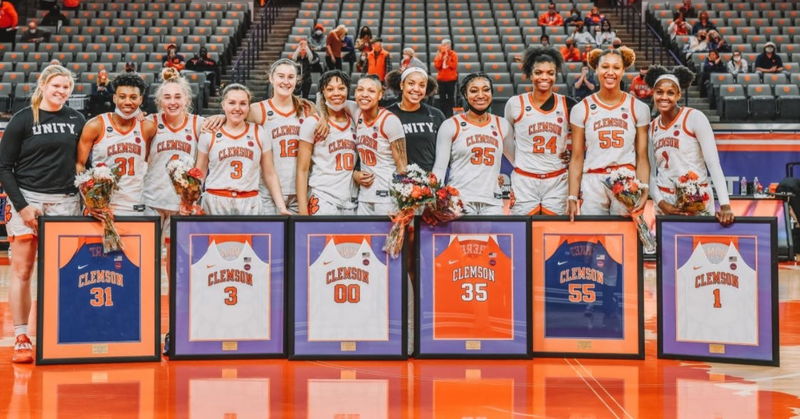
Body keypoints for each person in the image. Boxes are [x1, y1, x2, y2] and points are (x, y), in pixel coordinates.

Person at [0, 65, 86, 363]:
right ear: (43, 85)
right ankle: (22, 335)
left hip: (65, 201)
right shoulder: (23, 119)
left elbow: (83, 163)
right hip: (28, 199)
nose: (61, 91)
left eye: (66, 87)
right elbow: (4, 167)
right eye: (56, 86)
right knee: (23, 270)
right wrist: (22, 206)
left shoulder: (77, 120)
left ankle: (58, 331)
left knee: (63, 272)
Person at [204, 58, 314, 214]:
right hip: (268, 192)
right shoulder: (258, 110)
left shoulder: (308, 109)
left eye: (291, 77)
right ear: (271, 78)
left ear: (297, 80)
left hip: (301, 191)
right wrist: (221, 118)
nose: (285, 81)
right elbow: (235, 115)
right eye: (281, 76)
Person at [567, 47, 651, 217]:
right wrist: (572, 195)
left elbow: (642, 156)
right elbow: (576, 157)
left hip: (626, 179)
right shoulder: (581, 108)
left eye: (616, 67)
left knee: (626, 239)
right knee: (594, 240)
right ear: (596, 69)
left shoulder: (639, 108)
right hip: (592, 181)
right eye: (605, 67)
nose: (610, 72)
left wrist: (644, 188)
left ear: (623, 70)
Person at [645, 65, 733, 225]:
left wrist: (725, 204)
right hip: (666, 201)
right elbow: (650, 173)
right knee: (667, 250)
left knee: (698, 248)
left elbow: (713, 164)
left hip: (696, 198)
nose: (664, 97)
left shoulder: (695, 117)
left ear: (679, 94)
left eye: (670, 93)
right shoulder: (652, 128)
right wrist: (661, 203)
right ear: (653, 93)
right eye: (659, 92)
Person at [195, 84, 288, 215]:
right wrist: (191, 202)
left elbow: (270, 173)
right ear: (223, 105)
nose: (237, 108)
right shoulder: (209, 133)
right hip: (215, 201)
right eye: (232, 103)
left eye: (243, 103)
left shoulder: (259, 132)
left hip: (249, 202)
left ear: (249, 106)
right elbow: (200, 172)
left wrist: (281, 207)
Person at [505, 47, 577, 215]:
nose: (544, 77)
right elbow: (507, 143)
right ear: (530, 75)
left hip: (557, 181)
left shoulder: (568, 104)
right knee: (522, 233)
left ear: (556, 75)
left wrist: (571, 154)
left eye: (550, 73)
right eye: (538, 72)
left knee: (553, 235)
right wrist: (522, 163)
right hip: (525, 180)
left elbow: (584, 139)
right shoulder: (515, 103)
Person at [76, 73, 158, 216]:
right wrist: (89, 200)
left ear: (141, 99)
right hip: (101, 206)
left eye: (133, 97)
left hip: (134, 204)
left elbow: (148, 161)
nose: (127, 102)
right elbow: (80, 165)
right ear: (114, 98)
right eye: (122, 96)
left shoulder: (148, 127)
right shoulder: (96, 125)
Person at [432, 73, 513, 215]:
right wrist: (434, 198)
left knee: (491, 238)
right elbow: (439, 167)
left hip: (493, 201)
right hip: (460, 200)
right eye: (474, 91)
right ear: (465, 94)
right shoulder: (451, 125)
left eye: (486, 90)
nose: (481, 95)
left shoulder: (502, 124)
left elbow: (518, 161)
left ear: (492, 93)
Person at [143, 68, 203, 240]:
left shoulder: (198, 124)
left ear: (187, 99)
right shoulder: (150, 123)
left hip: (182, 204)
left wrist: (219, 118)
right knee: (149, 256)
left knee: (175, 259)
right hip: (152, 200)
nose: (172, 102)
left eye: (178, 97)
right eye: (167, 97)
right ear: (160, 101)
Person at [296, 70, 358, 215]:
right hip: (323, 197)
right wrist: (303, 211)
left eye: (341, 88)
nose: (336, 93)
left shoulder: (356, 117)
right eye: (330, 89)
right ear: (322, 92)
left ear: (348, 90)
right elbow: (302, 170)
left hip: (351, 199)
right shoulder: (312, 123)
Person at [352, 75, 408, 215]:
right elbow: (327, 99)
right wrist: (354, 174)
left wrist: (403, 202)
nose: (364, 94)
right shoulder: (355, 112)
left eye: (371, 91)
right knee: (365, 236)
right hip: (364, 196)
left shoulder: (390, 121)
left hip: (388, 197)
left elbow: (402, 166)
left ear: (380, 95)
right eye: (360, 90)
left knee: (389, 237)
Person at [385, 67, 446, 172]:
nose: (416, 89)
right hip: (396, 182)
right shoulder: (387, 115)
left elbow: (445, 152)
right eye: (411, 83)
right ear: (401, 85)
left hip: (431, 181)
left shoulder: (436, 115)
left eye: (422, 85)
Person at [434, 39, 458, 118]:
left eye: (446, 45)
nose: (445, 47)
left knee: (451, 98)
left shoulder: (453, 54)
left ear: (450, 46)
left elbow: (453, 66)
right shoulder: (439, 54)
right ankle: (442, 114)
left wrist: (447, 59)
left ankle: (452, 115)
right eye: (443, 45)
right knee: (442, 98)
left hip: (451, 80)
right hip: (441, 80)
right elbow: (437, 66)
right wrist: (442, 57)